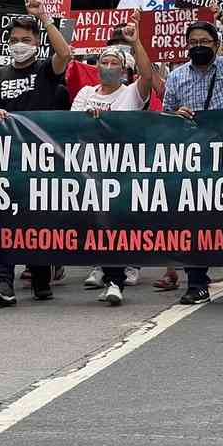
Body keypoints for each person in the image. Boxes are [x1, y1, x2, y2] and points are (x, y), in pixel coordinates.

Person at [161, 11, 223, 305]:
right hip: (193, 159)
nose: (198, 46)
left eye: (204, 41)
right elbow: (165, 115)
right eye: (193, 42)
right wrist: (175, 115)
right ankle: (197, 282)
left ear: (216, 45)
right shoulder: (176, 76)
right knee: (193, 221)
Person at [0, 0, 73, 306]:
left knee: (35, 220)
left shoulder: (46, 70)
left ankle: (40, 275)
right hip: (8, 159)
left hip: (41, 161)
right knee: (4, 218)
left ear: (37, 43)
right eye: (14, 40)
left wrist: (45, 19)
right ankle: (2, 282)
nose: (19, 45)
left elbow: (66, 54)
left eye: (26, 40)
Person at [74, 16, 155, 306]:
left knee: (117, 224)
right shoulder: (85, 93)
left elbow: (148, 77)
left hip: (122, 169)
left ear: (125, 69)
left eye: (114, 63)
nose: (108, 67)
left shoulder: (131, 93)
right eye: (103, 62)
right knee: (97, 224)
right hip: (89, 168)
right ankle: (108, 273)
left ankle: (115, 280)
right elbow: (71, 123)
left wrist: (136, 42)